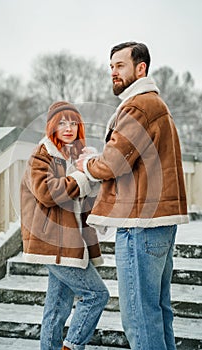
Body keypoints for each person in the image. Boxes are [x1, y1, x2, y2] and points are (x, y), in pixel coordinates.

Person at [76, 42, 189, 350]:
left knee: (139, 318)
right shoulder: (155, 105)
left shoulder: (138, 106)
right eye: (111, 65)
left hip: (140, 224)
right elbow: (132, 158)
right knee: (157, 312)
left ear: (141, 69)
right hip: (158, 224)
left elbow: (113, 163)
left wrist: (87, 162)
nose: (113, 71)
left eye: (120, 65)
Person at [20, 101, 109, 350]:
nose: (68, 127)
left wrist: (90, 173)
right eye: (62, 122)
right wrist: (81, 177)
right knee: (96, 295)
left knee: (56, 309)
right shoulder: (42, 155)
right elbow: (47, 192)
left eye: (73, 122)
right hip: (53, 242)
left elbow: (81, 202)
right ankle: (71, 346)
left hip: (70, 242)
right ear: (52, 126)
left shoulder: (75, 156)